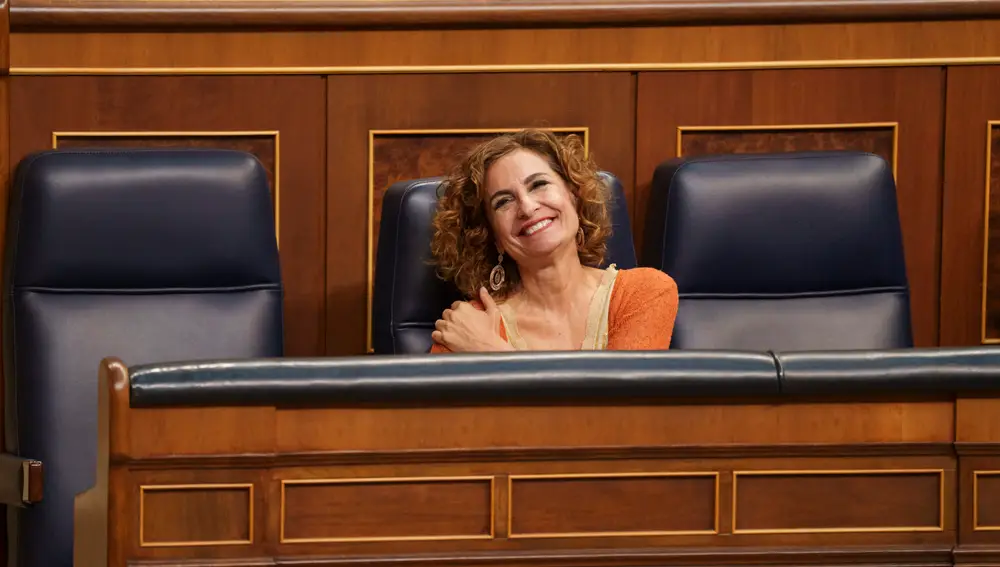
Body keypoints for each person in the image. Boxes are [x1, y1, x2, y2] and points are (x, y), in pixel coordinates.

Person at [428, 128, 678, 353]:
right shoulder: (467, 326)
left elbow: (623, 401)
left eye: (539, 184)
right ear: (492, 235)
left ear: (574, 196)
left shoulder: (643, 292)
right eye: (503, 201)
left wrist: (491, 353)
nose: (526, 207)